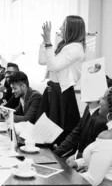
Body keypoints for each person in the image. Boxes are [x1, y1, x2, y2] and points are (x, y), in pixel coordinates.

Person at [36, 16, 86, 144]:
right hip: (53, 89)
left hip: (62, 92)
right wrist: (44, 41)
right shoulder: (64, 45)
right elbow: (42, 61)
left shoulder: (75, 48)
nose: (60, 28)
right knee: (44, 129)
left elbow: (53, 66)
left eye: (63, 25)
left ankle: (56, 158)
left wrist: (48, 42)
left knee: (57, 131)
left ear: (71, 29)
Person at [52, 76, 112, 158]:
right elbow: (75, 134)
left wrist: (76, 158)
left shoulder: (103, 120)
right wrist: (55, 153)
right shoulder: (88, 109)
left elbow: (96, 152)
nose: (82, 89)